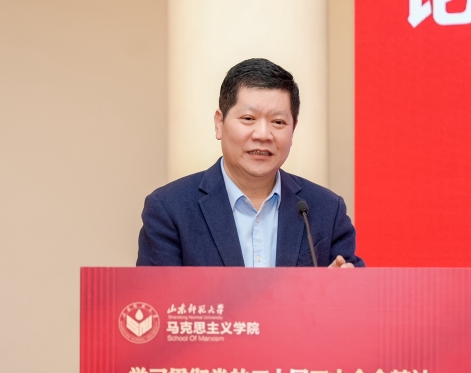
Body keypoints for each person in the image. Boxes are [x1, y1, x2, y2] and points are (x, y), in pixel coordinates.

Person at [136, 58, 364, 268]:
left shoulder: (326, 209)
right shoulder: (170, 209)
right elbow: (156, 295)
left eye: (278, 122)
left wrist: (338, 289)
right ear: (219, 123)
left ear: (293, 129)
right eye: (248, 119)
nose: (263, 134)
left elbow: (356, 288)